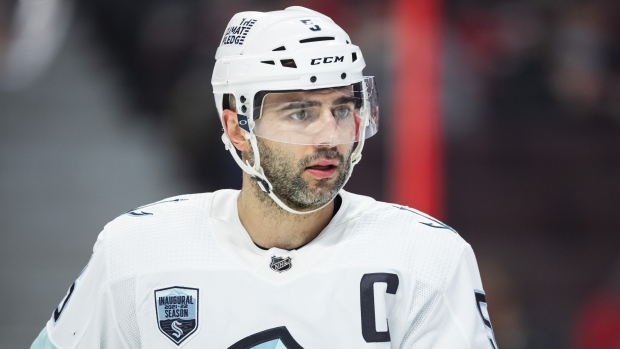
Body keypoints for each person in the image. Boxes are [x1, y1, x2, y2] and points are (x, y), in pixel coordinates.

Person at [31, 6, 498, 348]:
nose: (330, 135)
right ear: (237, 128)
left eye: (343, 108)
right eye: (300, 112)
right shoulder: (136, 250)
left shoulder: (428, 258)